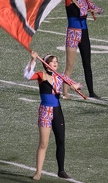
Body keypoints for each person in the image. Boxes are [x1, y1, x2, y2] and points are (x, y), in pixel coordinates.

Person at [24, 51, 81, 180]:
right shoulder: (42, 75)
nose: (55, 63)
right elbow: (27, 75)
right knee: (44, 143)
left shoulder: (60, 76)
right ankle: (38, 172)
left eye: (56, 61)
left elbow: (77, 84)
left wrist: (76, 86)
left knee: (61, 141)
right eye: (53, 61)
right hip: (45, 111)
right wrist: (32, 60)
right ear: (46, 64)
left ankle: (61, 170)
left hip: (57, 111)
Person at [62, 0, 103, 100]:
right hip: (73, 34)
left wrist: (95, 10)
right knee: (70, 65)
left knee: (87, 63)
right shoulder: (68, 0)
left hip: (84, 34)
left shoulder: (85, 2)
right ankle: (65, 92)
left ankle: (92, 92)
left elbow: (100, 9)